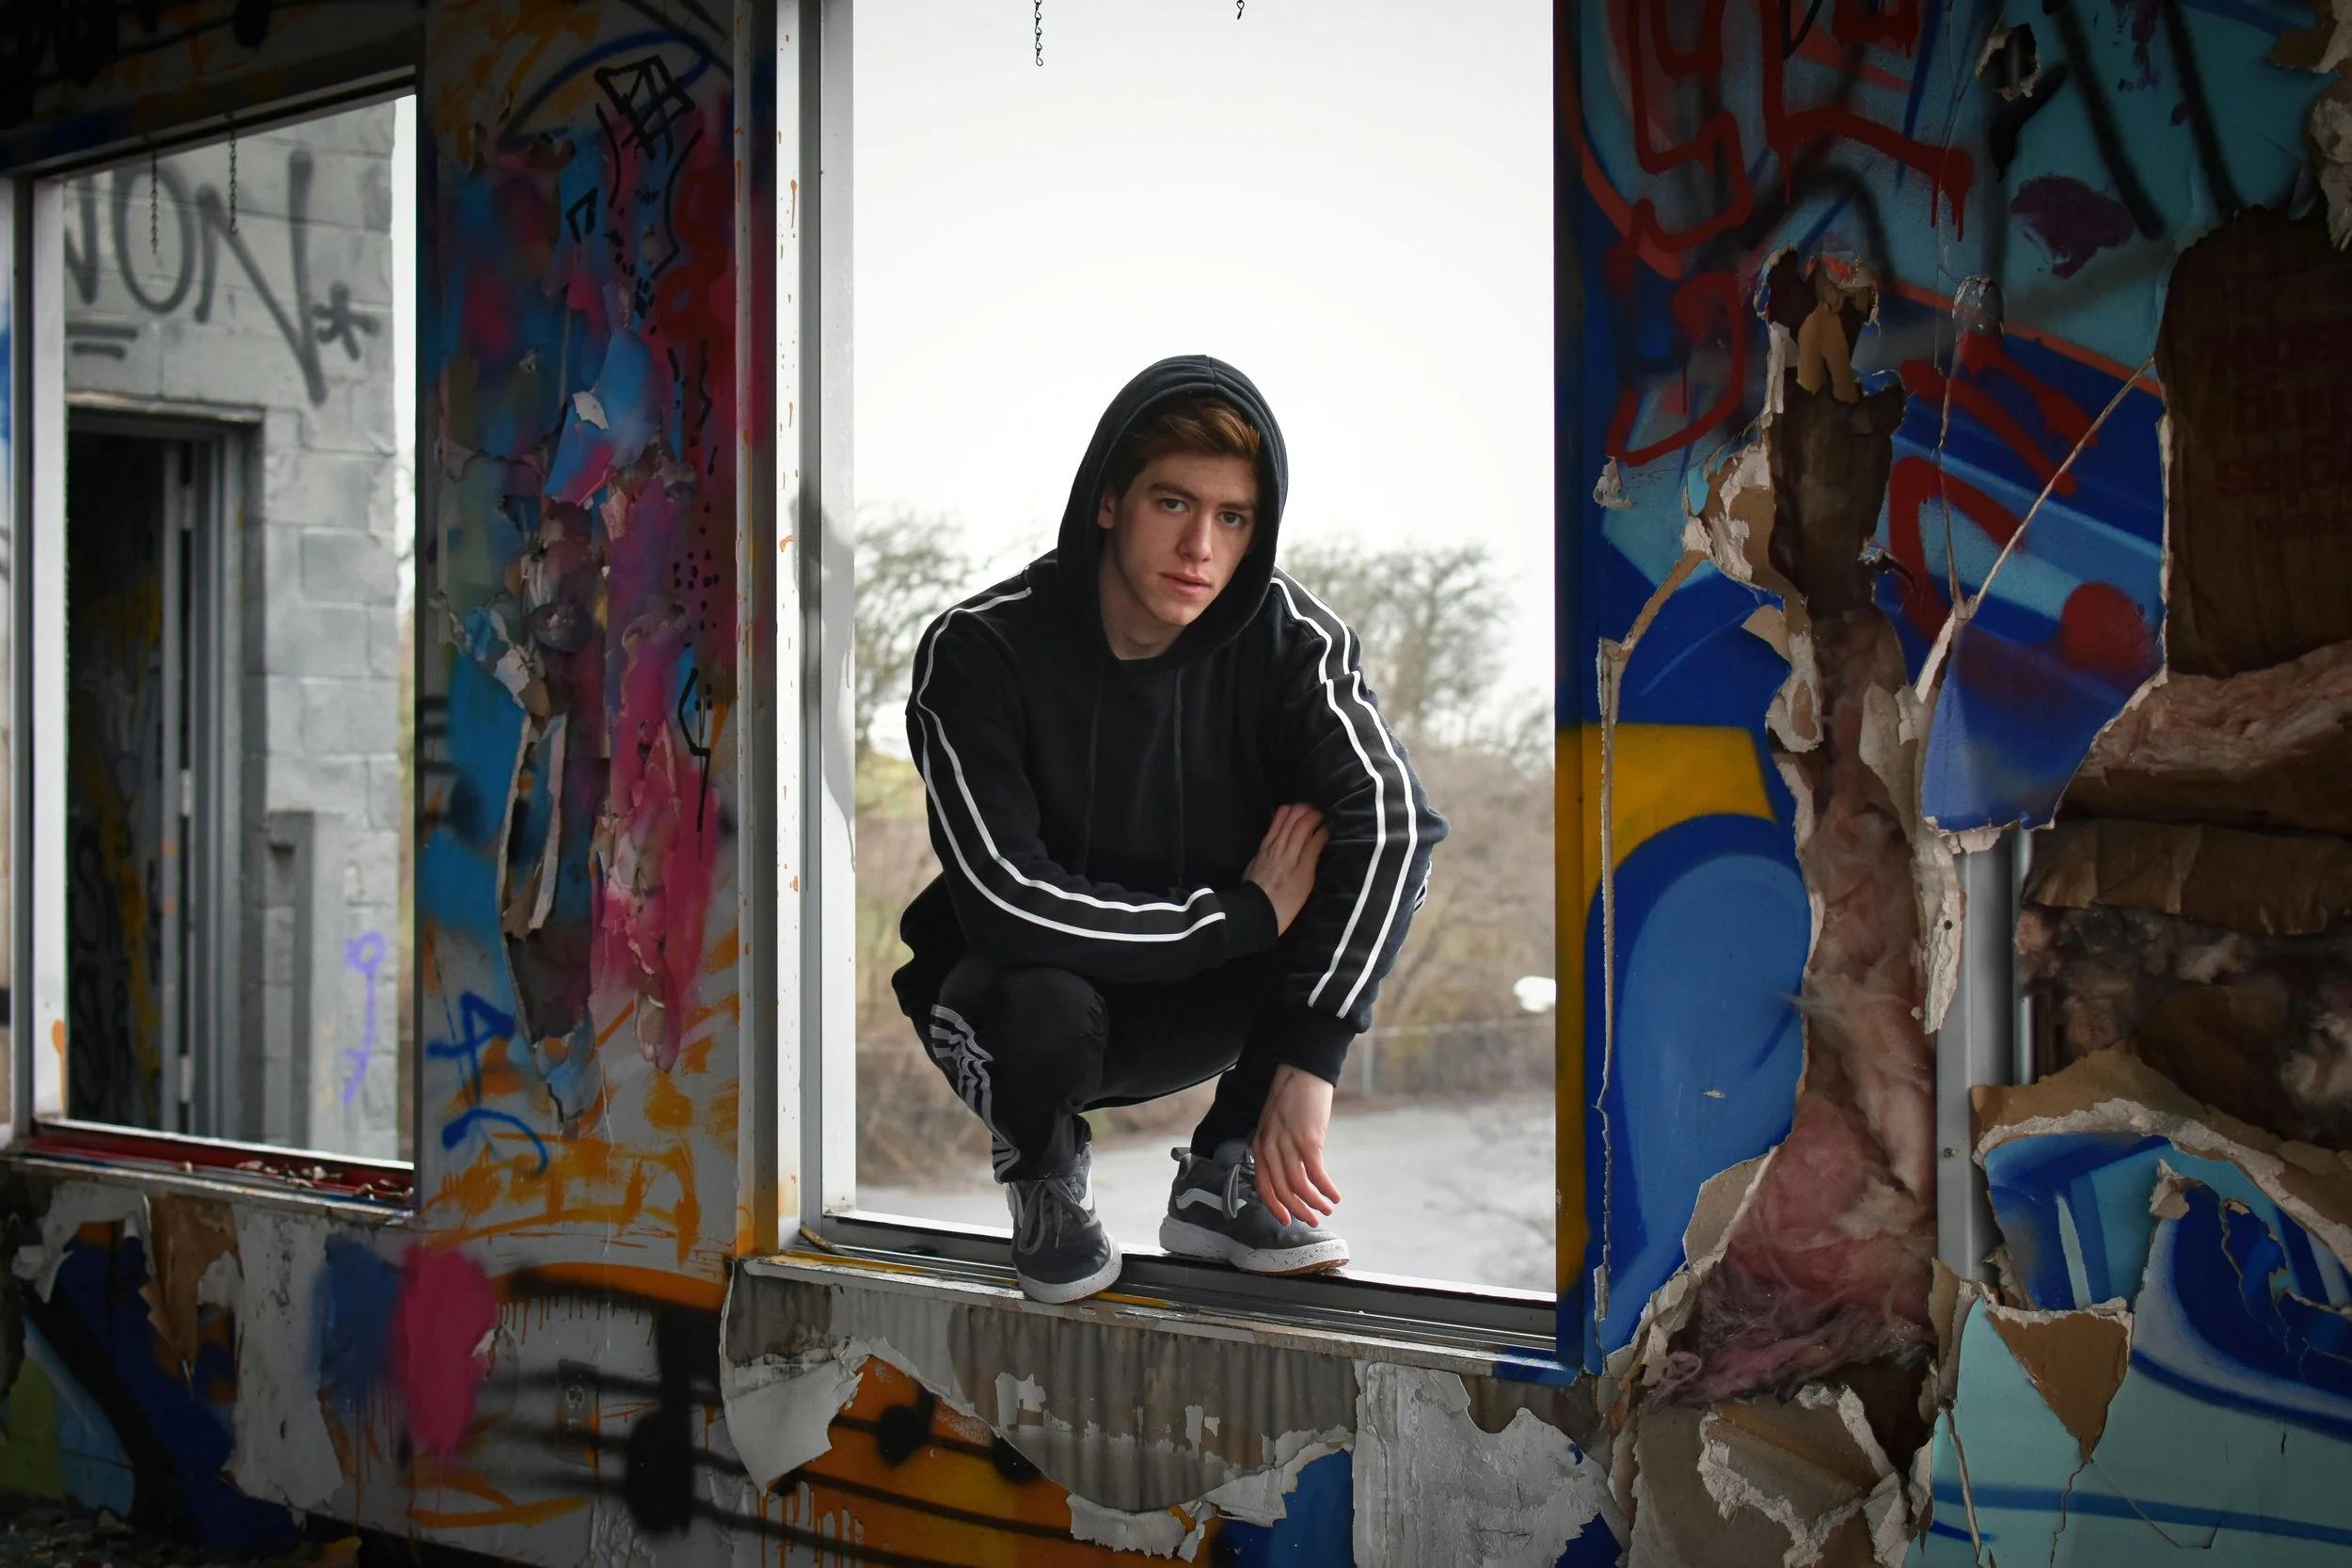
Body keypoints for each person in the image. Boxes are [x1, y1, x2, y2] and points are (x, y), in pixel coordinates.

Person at [892, 356, 1445, 1303]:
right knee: (1026, 1001)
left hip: (1207, 1000)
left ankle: (1226, 1173)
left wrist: (1312, 1051)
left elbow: (1395, 826)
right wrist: (1238, 917)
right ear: (1108, 501)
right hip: (1030, 1006)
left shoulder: (1288, 639)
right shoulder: (979, 649)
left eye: (1233, 518)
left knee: (1341, 863)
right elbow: (1006, 901)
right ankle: (1044, 1171)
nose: (1201, 545)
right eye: (1172, 503)